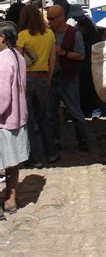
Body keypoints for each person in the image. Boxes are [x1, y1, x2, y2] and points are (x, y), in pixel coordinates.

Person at [17, 5, 57, 167]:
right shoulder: (49, 34)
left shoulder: (22, 35)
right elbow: (52, 60)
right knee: (44, 117)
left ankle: (35, 157)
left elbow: (19, 62)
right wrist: (49, 77)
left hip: (27, 78)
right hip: (43, 77)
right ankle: (52, 153)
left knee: (29, 119)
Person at [46, 4, 89, 153]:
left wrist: (64, 53)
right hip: (52, 78)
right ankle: (55, 142)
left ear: (61, 17)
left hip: (68, 77)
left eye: (51, 18)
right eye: (48, 18)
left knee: (75, 111)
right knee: (51, 113)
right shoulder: (47, 33)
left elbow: (81, 55)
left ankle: (82, 140)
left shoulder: (74, 33)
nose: (49, 21)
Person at [0, 22, 30, 218]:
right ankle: (10, 200)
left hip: (5, 119)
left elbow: (2, 95)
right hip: (18, 117)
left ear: (2, 38)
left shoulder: (3, 59)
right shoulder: (18, 57)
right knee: (13, 163)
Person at [76, 16, 103, 119]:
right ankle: (93, 110)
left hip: (87, 66)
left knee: (87, 89)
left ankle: (92, 110)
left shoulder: (83, 37)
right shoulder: (96, 36)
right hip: (91, 66)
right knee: (90, 89)